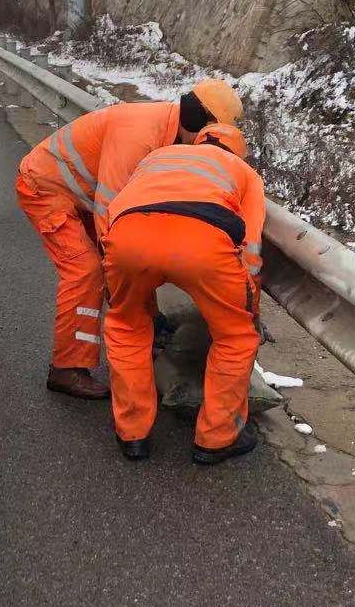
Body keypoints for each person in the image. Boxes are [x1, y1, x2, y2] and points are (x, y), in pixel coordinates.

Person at [15, 78, 244, 400]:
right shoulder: (140, 134)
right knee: (87, 271)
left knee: (132, 260)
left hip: (82, 195)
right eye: (210, 134)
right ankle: (67, 368)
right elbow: (111, 212)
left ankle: (149, 324)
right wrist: (119, 279)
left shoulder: (170, 137)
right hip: (45, 187)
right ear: (197, 121)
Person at [101, 122, 266, 465]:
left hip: (128, 233)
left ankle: (132, 434)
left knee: (126, 326)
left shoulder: (160, 155)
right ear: (239, 153)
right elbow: (250, 247)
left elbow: (116, 203)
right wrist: (249, 302)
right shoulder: (244, 172)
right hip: (203, 240)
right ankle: (217, 438)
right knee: (235, 336)